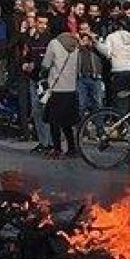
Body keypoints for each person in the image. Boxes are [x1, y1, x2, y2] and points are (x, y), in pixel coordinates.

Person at [40, 19, 80, 159]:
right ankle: (72, 148)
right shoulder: (75, 44)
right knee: (67, 122)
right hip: (71, 88)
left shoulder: (54, 43)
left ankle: (57, 149)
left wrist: (43, 76)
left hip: (56, 88)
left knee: (54, 121)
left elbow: (46, 64)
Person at [21, 13, 54, 153]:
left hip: (46, 81)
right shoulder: (30, 40)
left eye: (45, 23)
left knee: (47, 111)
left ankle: (51, 143)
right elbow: (26, 55)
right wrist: (25, 64)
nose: (43, 26)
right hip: (33, 79)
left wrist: (36, 64)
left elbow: (50, 60)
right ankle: (42, 141)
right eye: (40, 22)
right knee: (36, 112)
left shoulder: (51, 41)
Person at [74, 17, 106, 117]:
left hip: (95, 77)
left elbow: (105, 53)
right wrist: (79, 44)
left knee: (98, 104)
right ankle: (82, 129)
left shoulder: (97, 39)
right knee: (81, 105)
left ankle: (99, 129)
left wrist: (94, 41)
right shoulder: (75, 42)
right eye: (82, 29)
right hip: (81, 78)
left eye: (86, 29)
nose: (84, 32)